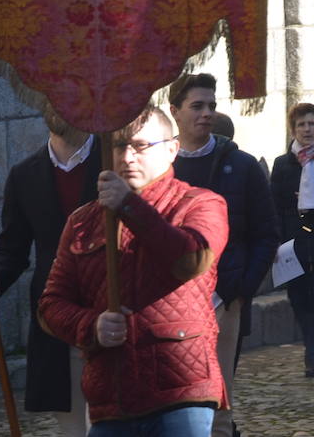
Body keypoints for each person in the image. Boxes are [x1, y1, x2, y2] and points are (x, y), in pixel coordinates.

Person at [39, 106, 228, 436]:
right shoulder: (82, 221)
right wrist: (91, 325)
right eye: (118, 146)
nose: (127, 157)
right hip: (111, 395)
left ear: (172, 149)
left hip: (179, 390)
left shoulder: (200, 204)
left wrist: (129, 206)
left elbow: (192, 260)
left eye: (140, 146)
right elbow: (50, 306)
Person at [0, 107, 100, 437]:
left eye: (68, 98)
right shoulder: (25, 174)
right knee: (71, 424)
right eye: (53, 97)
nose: (60, 105)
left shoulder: (118, 162)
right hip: (54, 314)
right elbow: (13, 246)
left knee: (109, 421)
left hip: (109, 308)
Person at [170, 73, 278, 437]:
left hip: (224, 296)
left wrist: (244, 289)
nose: (207, 114)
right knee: (176, 403)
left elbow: (266, 233)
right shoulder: (159, 166)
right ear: (175, 112)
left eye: (211, 106)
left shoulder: (243, 166)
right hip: (169, 300)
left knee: (218, 403)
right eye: (197, 106)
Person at [270, 102, 314, 377]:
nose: (307, 129)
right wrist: (274, 240)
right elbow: (273, 204)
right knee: (299, 298)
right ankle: (310, 341)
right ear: (293, 129)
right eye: (302, 125)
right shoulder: (282, 164)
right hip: (293, 241)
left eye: (312, 124)